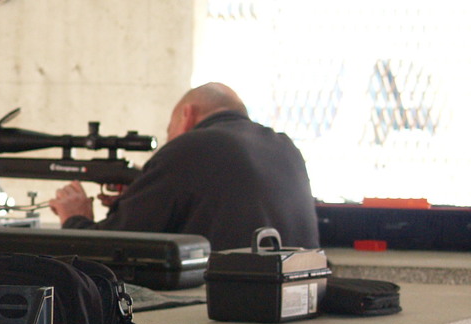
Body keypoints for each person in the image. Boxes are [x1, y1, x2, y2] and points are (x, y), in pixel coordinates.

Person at [46, 83, 319, 251]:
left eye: (169, 130)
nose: (169, 140)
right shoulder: (284, 145)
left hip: (221, 303)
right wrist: (139, 196)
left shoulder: (190, 146)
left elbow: (114, 245)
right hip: (293, 298)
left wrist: (75, 218)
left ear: (187, 115)